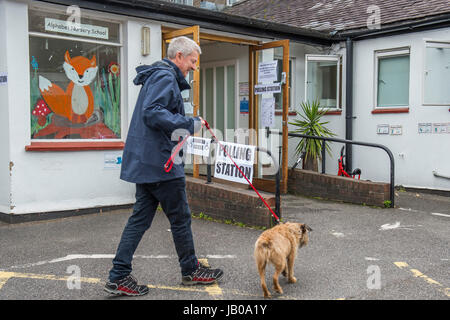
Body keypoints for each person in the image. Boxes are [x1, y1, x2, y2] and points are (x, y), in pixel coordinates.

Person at [104, 36, 223, 296]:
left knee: (140, 220)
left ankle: (118, 276)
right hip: (162, 163)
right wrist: (189, 123)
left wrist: (185, 120)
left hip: (149, 162)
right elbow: (153, 112)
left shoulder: (159, 76)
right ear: (179, 56)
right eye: (192, 61)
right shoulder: (165, 77)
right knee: (180, 218)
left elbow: (154, 112)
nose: (194, 67)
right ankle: (191, 271)